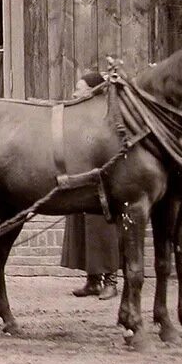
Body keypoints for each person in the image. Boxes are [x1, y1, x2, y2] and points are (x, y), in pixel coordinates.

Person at [60, 70, 120, 299]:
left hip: (102, 182)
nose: (75, 93)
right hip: (82, 179)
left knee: (102, 229)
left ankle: (111, 281)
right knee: (82, 228)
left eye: (80, 88)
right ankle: (92, 281)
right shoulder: (80, 115)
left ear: (93, 92)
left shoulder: (104, 116)